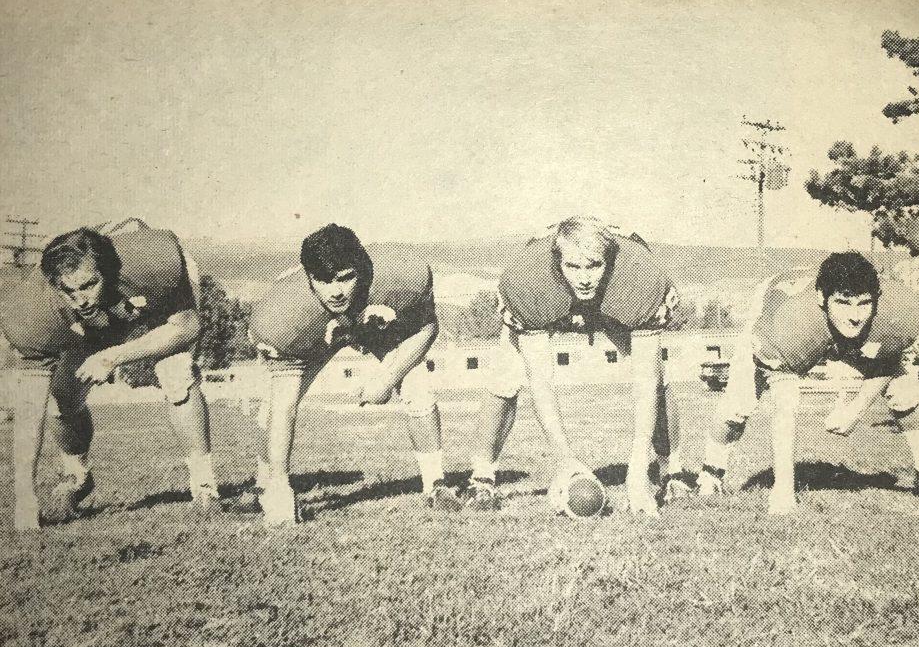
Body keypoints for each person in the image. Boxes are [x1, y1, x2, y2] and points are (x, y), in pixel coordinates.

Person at [698, 251, 919, 514]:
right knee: (738, 405)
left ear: (877, 299)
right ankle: (711, 472)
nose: (855, 316)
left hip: (819, 318)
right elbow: (784, 409)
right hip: (779, 314)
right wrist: (784, 490)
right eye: (843, 302)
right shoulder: (790, 323)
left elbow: (888, 357)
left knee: (905, 388)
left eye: (864, 303)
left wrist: (857, 408)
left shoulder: (899, 309)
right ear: (822, 298)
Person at [0, 219, 216, 530]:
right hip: (90, 329)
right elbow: (30, 407)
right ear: (52, 283)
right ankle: (76, 476)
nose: (81, 299)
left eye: (89, 284)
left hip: (149, 302)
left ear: (109, 272)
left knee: (177, 374)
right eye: (69, 290)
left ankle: (204, 486)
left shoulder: (153, 262)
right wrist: (24, 496)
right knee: (63, 399)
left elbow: (187, 326)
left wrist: (114, 356)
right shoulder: (33, 312)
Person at [466, 217, 681, 517]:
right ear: (557, 259)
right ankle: (481, 478)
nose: (583, 278)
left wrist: (636, 470)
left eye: (594, 265)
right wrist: (564, 458)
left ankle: (672, 471)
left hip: (615, 301)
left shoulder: (639, 277)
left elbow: (645, 381)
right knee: (505, 374)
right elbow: (540, 381)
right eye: (573, 266)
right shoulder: (528, 280)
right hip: (550, 300)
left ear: (609, 260)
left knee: (658, 378)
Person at [248, 224, 445, 525]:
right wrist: (279, 482)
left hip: (366, 321)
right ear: (308, 278)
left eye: (345, 278)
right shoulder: (284, 319)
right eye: (323, 281)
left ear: (361, 269)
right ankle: (268, 485)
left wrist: (387, 377)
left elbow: (427, 328)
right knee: (273, 407)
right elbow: (285, 407)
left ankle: (436, 485)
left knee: (417, 383)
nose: (336, 291)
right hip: (310, 334)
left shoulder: (399, 276)